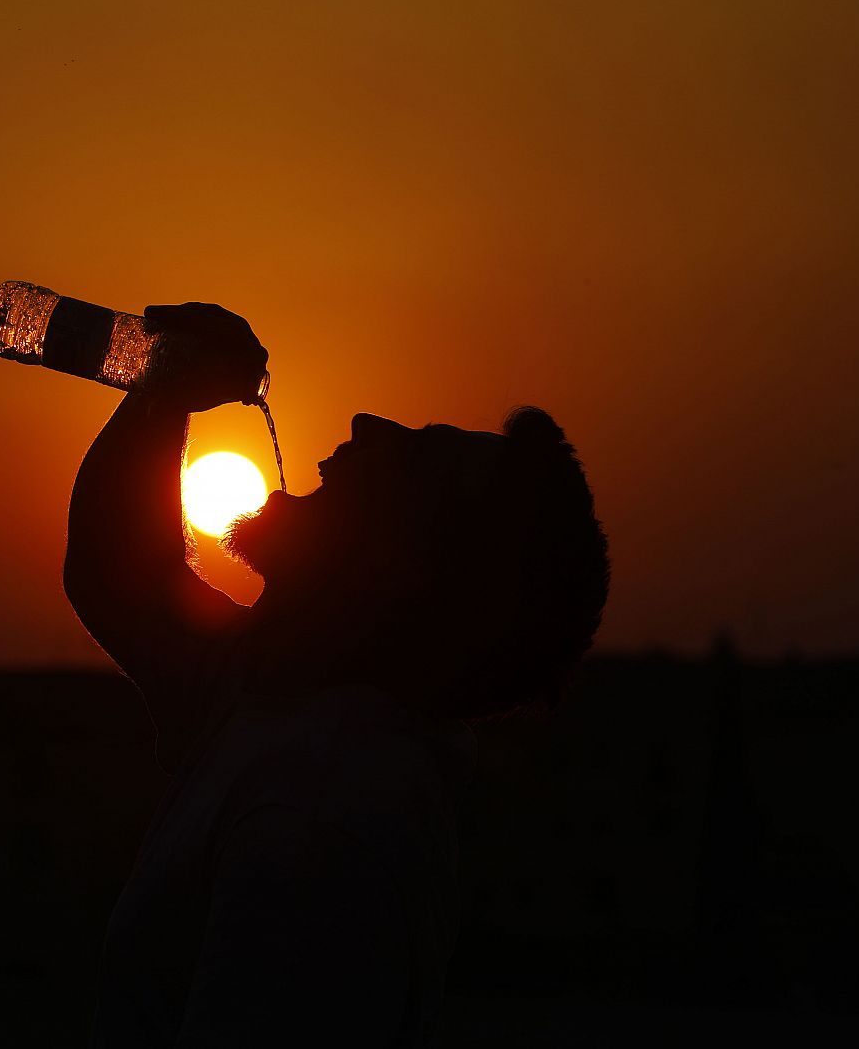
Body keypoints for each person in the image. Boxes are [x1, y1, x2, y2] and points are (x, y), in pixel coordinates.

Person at [65, 302, 609, 1047]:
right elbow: (117, 572)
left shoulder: (325, 816)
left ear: (410, 572)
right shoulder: (280, 703)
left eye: (412, 457)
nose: (365, 424)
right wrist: (162, 389)